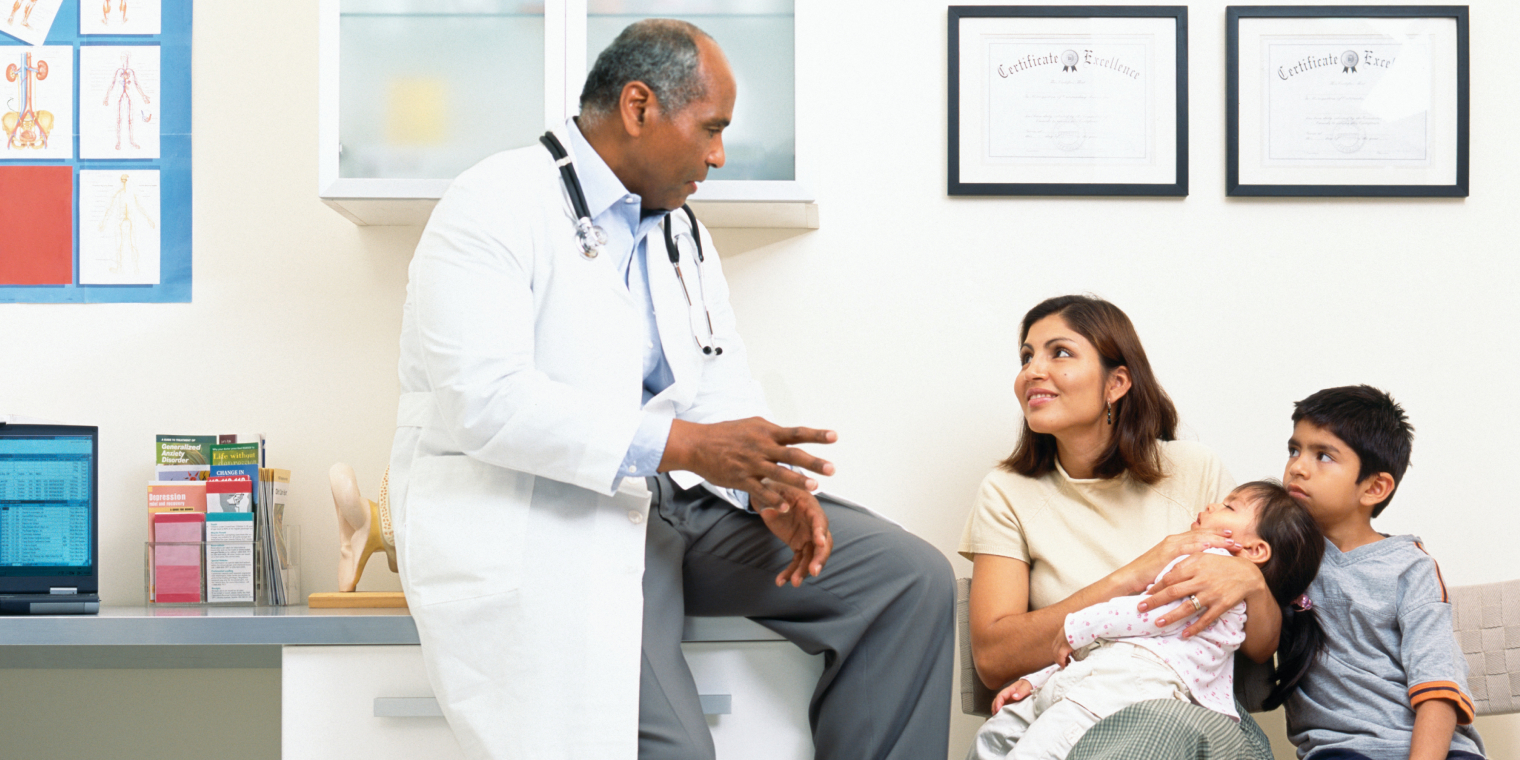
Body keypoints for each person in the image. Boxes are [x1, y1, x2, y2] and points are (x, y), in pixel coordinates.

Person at [387, 19, 953, 760]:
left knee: (908, 581)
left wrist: (768, 489)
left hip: (676, 507)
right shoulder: (492, 204)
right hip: (552, 520)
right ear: (638, 106)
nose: (718, 155)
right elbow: (484, 403)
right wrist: (686, 446)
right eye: (710, 128)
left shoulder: (682, 231)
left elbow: (716, 383)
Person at [960, 294, 1283, 760]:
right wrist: (1131, 576)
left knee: (1144, 730)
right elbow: (993, 661)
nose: (1032, 370)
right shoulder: (1007, 492)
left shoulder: (1195, 470)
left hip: (1188, 720)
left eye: (1060, 352)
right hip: (1067, 706)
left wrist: (1250, 582)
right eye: (1026, 356)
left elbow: (1259, 648)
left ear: (1117, 383)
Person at [968, 481, 1325, 760]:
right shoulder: (1200, 562)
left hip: (1127, 687)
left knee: (1034, 749)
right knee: (995, 736)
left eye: (1229, 506)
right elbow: (1113, 646)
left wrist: (1077, 625)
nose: (1213, 505)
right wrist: (1037, 679)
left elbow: (1151, 616)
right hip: (1092, 676)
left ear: (1255, 550)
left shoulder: (1216, 571)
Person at [1281, 386, 1485, 760]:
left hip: (1434, 749)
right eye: (1294, 450)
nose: (1298, 466)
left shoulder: (1410, 568)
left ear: (1374, 487)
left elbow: (1437, 681)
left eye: (1323, 455)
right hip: (1340, 749)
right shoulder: (1283, 556)